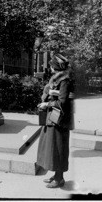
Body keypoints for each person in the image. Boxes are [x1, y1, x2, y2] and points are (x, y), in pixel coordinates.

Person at [36, 54, 74, 188]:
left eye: (52, 65)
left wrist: (47, 104)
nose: (50, 67)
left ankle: (60, 178)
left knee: (58, 147)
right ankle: (56, 175)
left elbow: (63, 102)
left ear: (56, 67)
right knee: (52, 146)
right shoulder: (58, 78)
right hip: (54, 116)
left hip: (60, 119)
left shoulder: (65, 80)